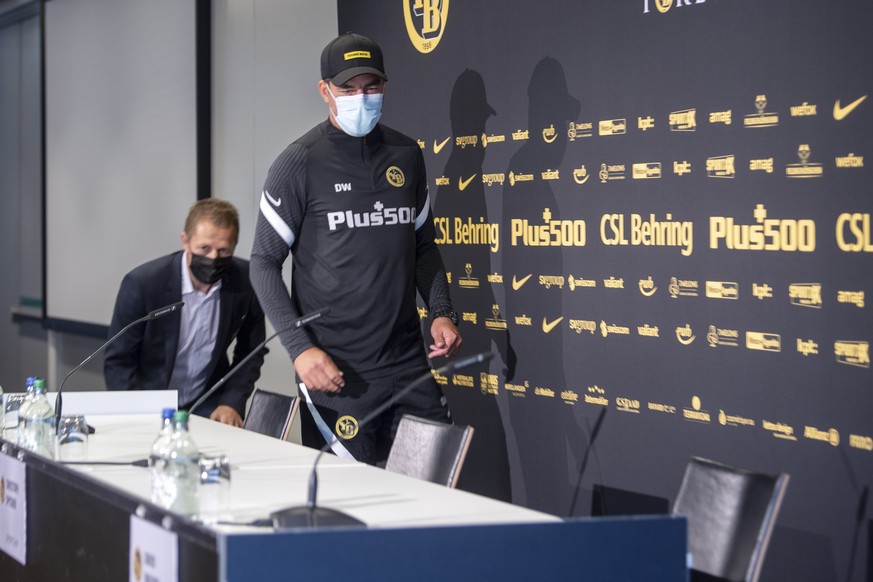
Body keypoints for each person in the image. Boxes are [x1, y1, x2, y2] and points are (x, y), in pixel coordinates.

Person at [249, 32, 462, 464]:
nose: (360, 98)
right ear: (324, 90)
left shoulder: (407, 154)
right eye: (348, 89)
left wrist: (441, 311)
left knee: (432, 500)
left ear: (385, 86)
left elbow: (423, 246)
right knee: (349, 512)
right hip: (336, 374)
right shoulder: (298, 162)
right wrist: (300, 349)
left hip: (408, 366)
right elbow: (264, 262)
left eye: (370, 87)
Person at [104, 198, 266, 427]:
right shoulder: (142, 284)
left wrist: (231, 401)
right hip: (149, 402)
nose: (213, 258)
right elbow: (118, 361)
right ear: (186, 241)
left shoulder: (246, 281)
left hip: (208, 404)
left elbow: (251, 351)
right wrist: (137, 414)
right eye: (204, 248)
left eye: (223, 250)